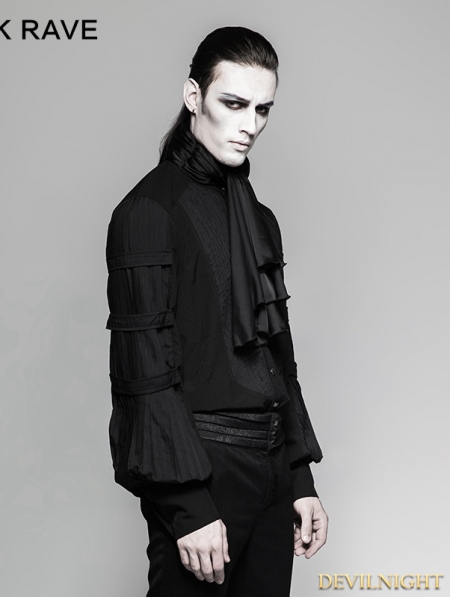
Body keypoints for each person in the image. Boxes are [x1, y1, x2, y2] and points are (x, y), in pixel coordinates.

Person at [106, 26, 328, 596]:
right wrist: (187, 506)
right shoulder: (148, 212)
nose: (250, 124)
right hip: (202, 470)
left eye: (262, 109)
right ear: (193, 97)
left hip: (273, 468)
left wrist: (299, 476)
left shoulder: (259, 219)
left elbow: (277, 358)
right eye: (234, 103)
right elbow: (143, 375)